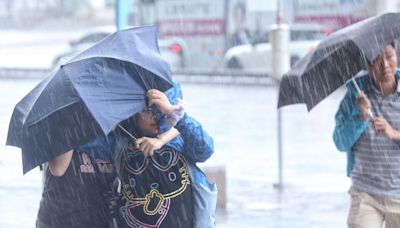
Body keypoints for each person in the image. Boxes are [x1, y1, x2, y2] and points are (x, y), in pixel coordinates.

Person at [36, 115, 180, 228]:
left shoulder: (124, 129)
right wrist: (85, 123)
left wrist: (161, 140)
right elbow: (58, 169)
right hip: (59, 219)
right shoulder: (69, 120)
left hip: (101, 219)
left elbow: (181, 125)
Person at [114, 83, 217, 228]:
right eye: (147, 110)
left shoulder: (180, 139)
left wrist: (175, 116)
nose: (156, 116)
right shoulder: (121, 141)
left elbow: (205, 150)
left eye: (160, 110)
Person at [333, 42, 400, 227]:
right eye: (376, 60)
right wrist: (360, 117)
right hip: (365, 193)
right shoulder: (355, 95)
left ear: (397, 55)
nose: (384, 65)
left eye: (389, 56)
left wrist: (393, 133)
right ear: (367, 66)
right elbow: (340, 142)